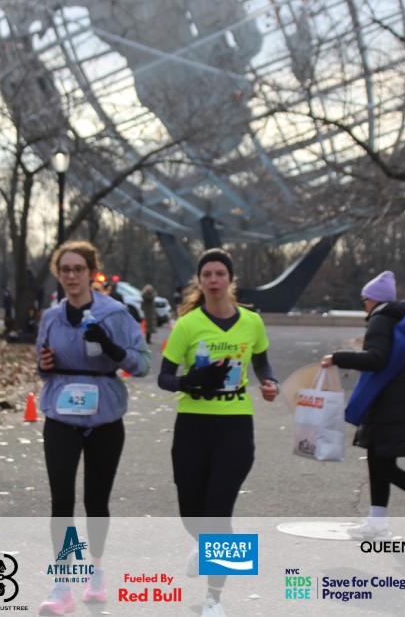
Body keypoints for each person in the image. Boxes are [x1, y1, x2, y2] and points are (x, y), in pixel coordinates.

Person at [157, 248, 278, 617]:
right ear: (200, 281)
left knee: (219, 512)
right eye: (207, 274)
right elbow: (164, 377)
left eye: (219, 274)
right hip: (193, 424)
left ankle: (214, 598)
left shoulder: (251, 322)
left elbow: (262, 362)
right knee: (191, 513)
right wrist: (189, 381)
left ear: (230, 279)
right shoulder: (188, 325)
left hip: (235, 423)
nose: (213, 280)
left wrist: (269, 382)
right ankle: (207, 544)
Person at [36, 240, 150, 614]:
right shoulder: (51, 317)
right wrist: (44, 365)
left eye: (78, 269)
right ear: (58, 274)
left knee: (96, 501)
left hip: (105, 418)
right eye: (65, 270)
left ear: (91, 273)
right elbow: (42, 365)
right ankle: (62, 584)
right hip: (60, 416)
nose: (71, 276)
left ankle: (96, 574)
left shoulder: (115, 314)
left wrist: (111, 347)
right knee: (61, 501)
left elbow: (142, 364)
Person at [320, 270, 405, 543]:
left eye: (365, 300)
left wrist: (337, 357)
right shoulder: (401, 319)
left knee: (384, 467)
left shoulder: (380, 320)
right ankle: (377, 524)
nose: (364, 305)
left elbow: (376, 359)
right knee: (379, 463)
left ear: (374, 299)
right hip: (398, 401)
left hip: (386, 402)